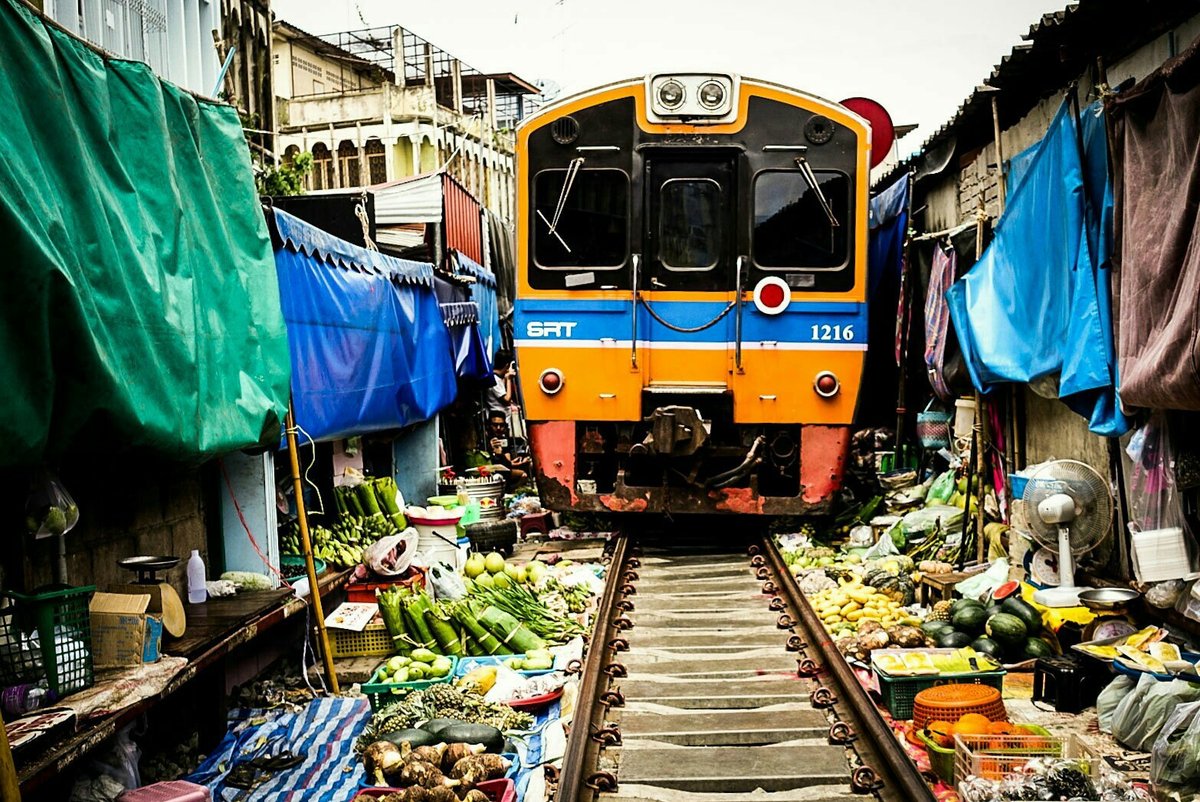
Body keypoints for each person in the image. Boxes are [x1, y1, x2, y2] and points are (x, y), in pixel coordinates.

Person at [486, 410, 531, 488]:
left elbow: (507, 464)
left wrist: (515, 462)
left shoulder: (503, 440)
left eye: (501, 425)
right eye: (495, 425)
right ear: (489, 425)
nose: (498, 428)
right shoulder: (484, 440)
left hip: (504, 469)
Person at [486, 350, 516, 415]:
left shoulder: (498, 378)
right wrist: (508, 379)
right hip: (498, 416)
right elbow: (507, 399)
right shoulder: (494, 379)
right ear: (507, 365)